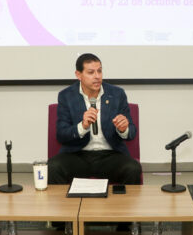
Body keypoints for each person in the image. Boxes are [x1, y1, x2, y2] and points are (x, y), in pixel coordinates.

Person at [48, 53, 141, 186]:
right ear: (78, 75)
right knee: (53, 167)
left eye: (99, 71)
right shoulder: (66, 96)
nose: (97, 76)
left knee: (133, 169)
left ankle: (122, 207)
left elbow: (131, 132)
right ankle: (66, 207)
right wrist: (83, 126)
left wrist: (124, 129)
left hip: (110, 155)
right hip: (77, 155)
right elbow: (61, 135)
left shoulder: (117, 94)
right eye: (91, 72)